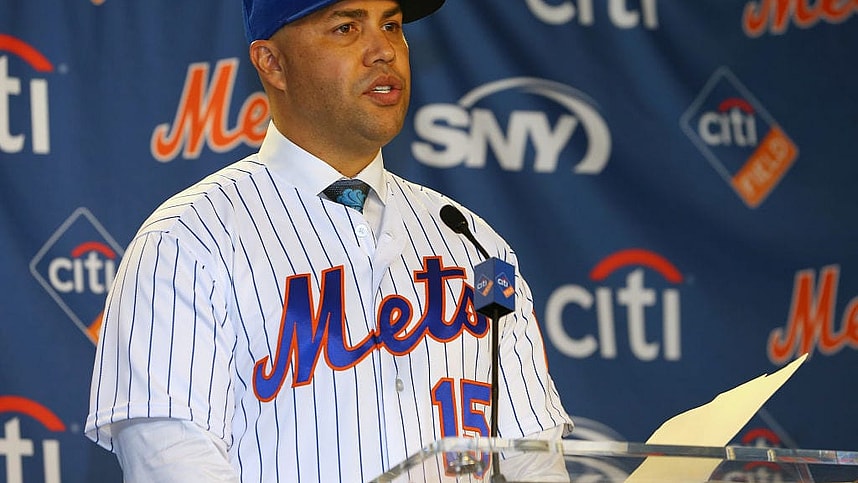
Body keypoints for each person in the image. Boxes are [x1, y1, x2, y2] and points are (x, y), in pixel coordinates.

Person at [85, 0, 573, 481]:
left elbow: (534, 458)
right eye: (346, 27)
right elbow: (172, 463)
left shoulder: (479, 248)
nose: (384, 50)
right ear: (272, 63)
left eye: (392, 24)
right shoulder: (188, 241)